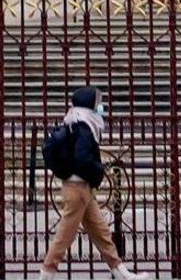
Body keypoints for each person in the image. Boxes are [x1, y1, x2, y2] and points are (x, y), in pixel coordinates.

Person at [40, 86, 134, 280]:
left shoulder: (75, 121)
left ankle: (119, 270)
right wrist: (98, 169)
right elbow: (82, 158)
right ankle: (47, 273)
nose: (100, 106)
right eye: (97, 101)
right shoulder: (84, 125)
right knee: (65, 235)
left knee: (101, 231)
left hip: (81, 187)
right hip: (78, 188)